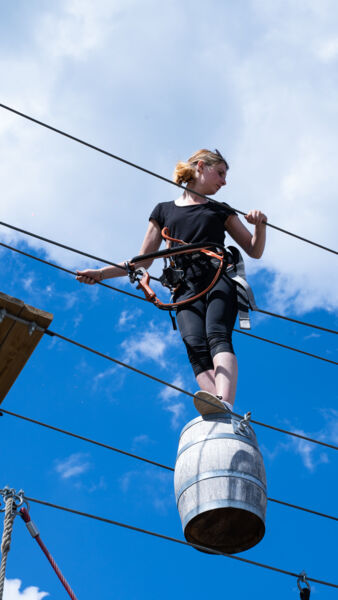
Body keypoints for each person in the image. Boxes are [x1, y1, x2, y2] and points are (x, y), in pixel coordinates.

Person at [76, 149, 267, 416]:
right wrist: (101, 273)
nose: (224, 182)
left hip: (217, 277)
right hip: (183, 286)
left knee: (217, 335)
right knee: (193, 343)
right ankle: (214, 406)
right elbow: (142, 261)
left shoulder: (220, 210)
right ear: (201, 167)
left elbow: (254, 250)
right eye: (220, 173)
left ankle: (225, 402)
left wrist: (260, 225)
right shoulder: (163, 211)